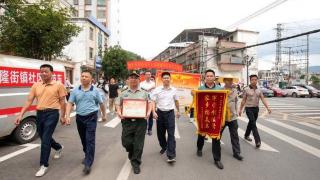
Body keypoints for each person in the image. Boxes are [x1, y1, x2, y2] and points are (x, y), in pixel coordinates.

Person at [15, 64, 67, 177]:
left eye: (46, 71)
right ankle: (58, 147)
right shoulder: (36, 85)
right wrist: (20, 115)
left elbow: (63, 102)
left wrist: (63, 116)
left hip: (52, 114)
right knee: (44, 136)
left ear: (52, 73)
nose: (43, 73)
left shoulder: (59, 85)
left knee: (45, 139)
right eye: (41, 71)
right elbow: (29, 101)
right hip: (40, 114)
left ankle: (44, 165)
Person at [65, 71, 107, 175]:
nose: (83, 78)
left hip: (91, 116)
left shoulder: (95, 91)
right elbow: (70, 103)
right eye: (82, 76)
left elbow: (101, 104)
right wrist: (67, 116)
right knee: (83, 139)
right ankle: (87, 154)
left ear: (91, 79)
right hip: (79, 117)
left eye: (86, 76)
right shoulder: (75, 90)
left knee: (90, 140)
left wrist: (104, 115)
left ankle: (88, 163)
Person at [115, 72, 152, 174]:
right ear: (128, 80)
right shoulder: (123, 92)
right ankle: (131, 151)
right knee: (126, 141)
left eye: (136, 78)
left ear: (138, 80)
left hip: (141, 121)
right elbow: (118, 104)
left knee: (139, 143)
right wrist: (119, 112)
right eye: (131, 77)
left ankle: (136, 163)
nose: (133, 79)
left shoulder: (144, 93)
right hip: (127, 121)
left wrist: (148, 113)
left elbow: (150, 103)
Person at [196, 69, 224, 170]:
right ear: (205, 78)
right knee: (201, 134)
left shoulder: (220, 89)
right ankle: (199, 148)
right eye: (207, 76)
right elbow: (196, 100)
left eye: (211, 76)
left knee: (216, 137)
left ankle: (217, 159)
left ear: (214, 77)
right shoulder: (200, 88)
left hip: (215, 116)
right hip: (204, 116)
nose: (209, 77)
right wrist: (193, 94)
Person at [151, 72, 180, 163]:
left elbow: (176, 101)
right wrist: (153, 112)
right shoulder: (157, 90)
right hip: (160, 113)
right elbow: (152, 101)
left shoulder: (174, 90)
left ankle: (171, 155)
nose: (166, 79)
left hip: (170, 113)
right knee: (160, 134)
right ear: (162, 79)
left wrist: (178, 111)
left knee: (171, 134)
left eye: (168, 78)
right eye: (165, 78)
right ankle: (164, 146)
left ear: (170, 79)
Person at [239, 74, 271, 148]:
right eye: (252, 80)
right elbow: (243, 100)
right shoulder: (246, 89)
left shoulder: (259, 89)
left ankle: (246, 135)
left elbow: (263, 99)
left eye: (255, 79)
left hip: (256, 109)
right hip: (248, 108)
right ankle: (258, 141)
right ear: (250, 81)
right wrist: (240, 109)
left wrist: (268, 108)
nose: (254, 81)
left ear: (257, 80)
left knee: (251, 123)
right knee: (253, 124)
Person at [219, 75, 243, 161]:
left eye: (231, 80)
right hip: (222, 117)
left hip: (233, 117)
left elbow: (236, 102)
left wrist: (236, 112)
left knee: (235, 135)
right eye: (228, 80)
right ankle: (217, 148)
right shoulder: (220, 90)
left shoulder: (235, 90)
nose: (230, 81)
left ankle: (237, 153)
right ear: (224, 81)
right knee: (218, 134)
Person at [140, 70, 156, 136]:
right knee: (143, 116)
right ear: (145, 76)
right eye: (147, 74)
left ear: (150, 75)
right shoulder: (141, 83)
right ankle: (143, 129)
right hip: (144, 101)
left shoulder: (153, 83)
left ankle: (150, 129)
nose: (148, 76)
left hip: (151, 101)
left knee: (151, 116)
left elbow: (154, 92)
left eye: (149, 74)